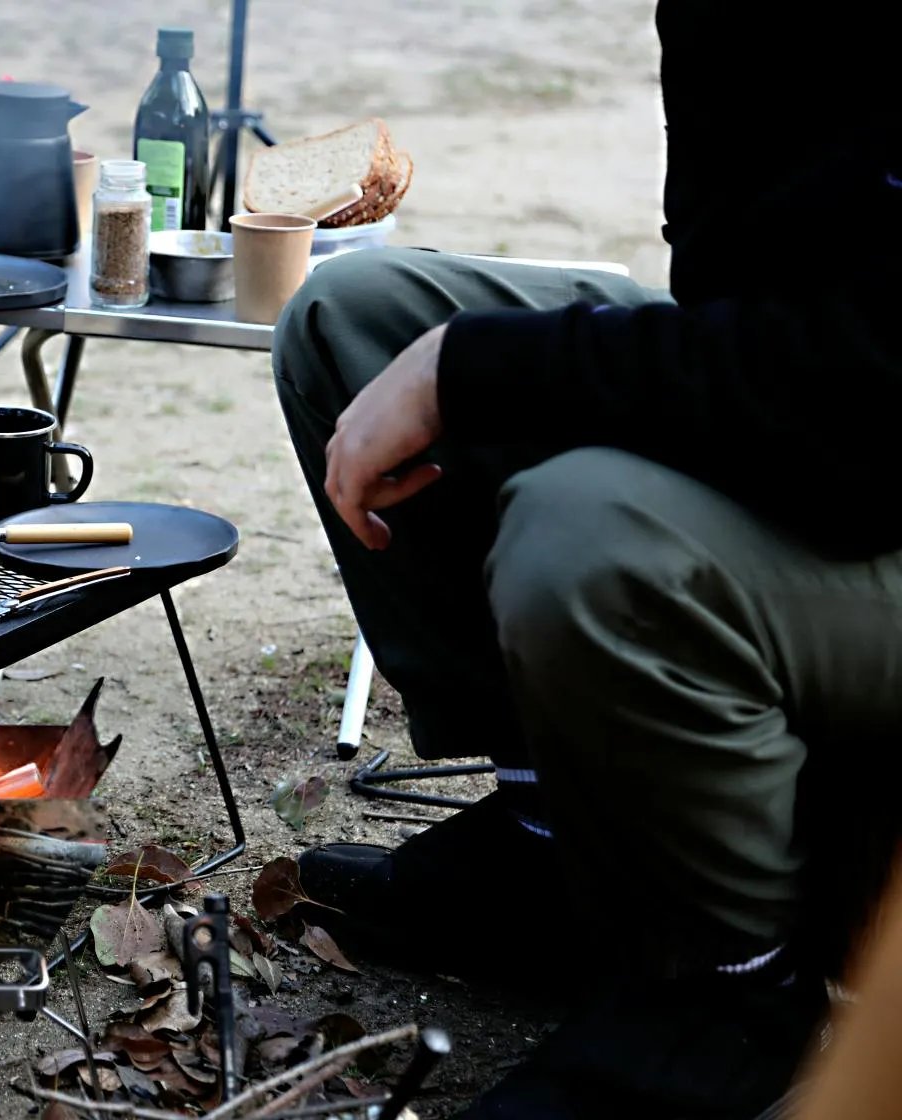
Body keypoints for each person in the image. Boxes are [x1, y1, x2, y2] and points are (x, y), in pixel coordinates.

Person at [270, 3, 902, 1117]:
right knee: (360, 320)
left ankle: (726, 994)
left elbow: (867, 396)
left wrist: (476, 371)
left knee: (593, 537)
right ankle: (548, 843)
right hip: (817, 394)